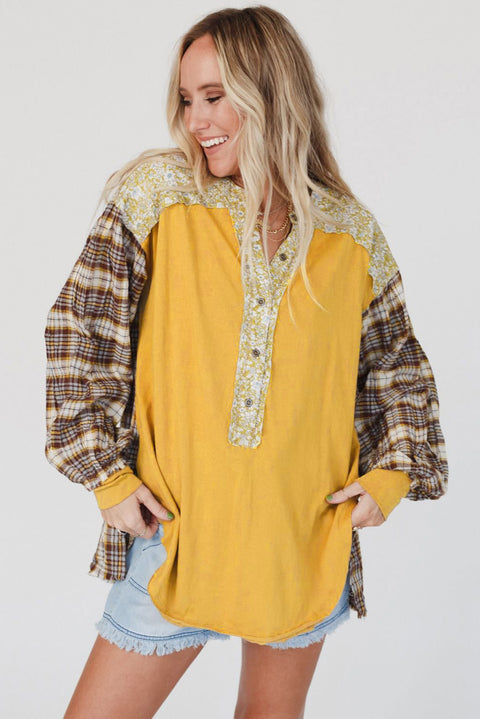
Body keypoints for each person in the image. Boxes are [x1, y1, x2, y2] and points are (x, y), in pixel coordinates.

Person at [44, 6, 448, 718]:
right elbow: (80, 328)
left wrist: (392, 474)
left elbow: (397, 365)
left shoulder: (351, 234)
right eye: (187, 99)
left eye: (214, 96)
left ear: (271, 92)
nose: (196, 120)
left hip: (299, 543)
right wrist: (104, 476)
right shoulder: (158, 197)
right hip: (175, 538)